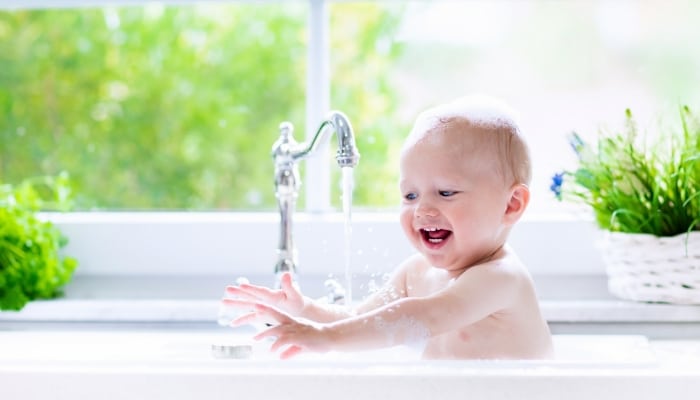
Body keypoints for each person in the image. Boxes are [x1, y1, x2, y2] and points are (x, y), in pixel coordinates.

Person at [222, 95, 553, 360]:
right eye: (409, 195)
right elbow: (359, 320)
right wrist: (305, 311)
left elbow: (423, 317)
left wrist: (325, 339)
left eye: (446, 192)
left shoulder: (501, 278)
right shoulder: (416, 273)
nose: (422, 208)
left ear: (511, 205)